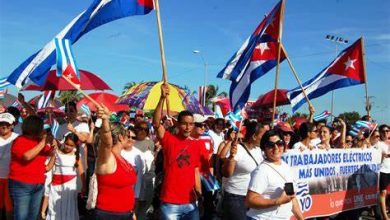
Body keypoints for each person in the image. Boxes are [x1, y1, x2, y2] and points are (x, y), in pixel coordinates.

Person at [153, 83, 202, 220]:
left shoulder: (196, 144)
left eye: (191, 124)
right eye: (184, 123)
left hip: (191, 202)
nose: (187, 127)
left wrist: (199, 192)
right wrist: (162, 98)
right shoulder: (169, 139)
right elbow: (156, 124)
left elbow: (195, 170)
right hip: (170, 202)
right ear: (178, 124)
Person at [246, 130, 304, 220]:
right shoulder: (262, 170)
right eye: (270, 145)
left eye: (279, 143)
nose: (276, 147)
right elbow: (250, 201)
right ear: (264, 149)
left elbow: (292, 199)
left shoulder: (286, 166)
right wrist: (277, 201)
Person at [8, 115, 55, 220]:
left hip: (38, 184)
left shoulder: (39, 141)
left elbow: (50, 153)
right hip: (21, 184)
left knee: (32, 216)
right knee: (21, 217)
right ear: (35, 127)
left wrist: (52, 144)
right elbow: (27, 156)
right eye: (41, 127)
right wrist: (43, 142)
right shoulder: (20, 140)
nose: (43, 129)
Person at [94, 105, 137, 219]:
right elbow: (106, 142)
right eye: (127, 135)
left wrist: (132, 212)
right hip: (108, 215)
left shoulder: (122, 159)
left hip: (126, 213)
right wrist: (105, 120)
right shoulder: (106, 157)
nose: (129, 138)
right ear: (120, 137)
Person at [221, 121, 265, 220]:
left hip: (252, 197)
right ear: (254, 136)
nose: (264, 139)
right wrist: (231, 157)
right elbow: (226, 173)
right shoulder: (238, 150)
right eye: (262, 135)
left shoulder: (258, 150)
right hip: (236, 198)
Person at [46, 133, 85, 220]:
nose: (68, 147)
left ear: (75, 145)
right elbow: (48, 167)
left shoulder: (77, 156)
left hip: (69, 188)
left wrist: (84, 186)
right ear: (64, 142)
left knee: (69, 207)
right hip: (56, 187)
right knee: (54, 206)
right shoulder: (56, 153)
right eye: (67, 144)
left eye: (71, 145)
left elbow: (81, 172)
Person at [133, 121, 156, 220]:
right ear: (135, 129)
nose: (142, 131)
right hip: (135, 182)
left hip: (149, 181)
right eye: (140, 128)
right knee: (134, 208)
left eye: (145, 129)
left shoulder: (150, 143)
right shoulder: (130, 142)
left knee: (144, 207)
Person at [0, 113, 18, 220]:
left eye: (6, 124)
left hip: (11, 178)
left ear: (12, 125)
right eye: (1, 123)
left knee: (9, 208)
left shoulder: (18, 138)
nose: (3, 126)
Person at [377, 124, 390, 220]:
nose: (385, 133)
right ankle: (385, 216)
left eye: (387, 131)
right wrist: (383, 155)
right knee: (383, 192)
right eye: (383, 131)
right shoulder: (379, 144)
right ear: (380, 133)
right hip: (383, 170)